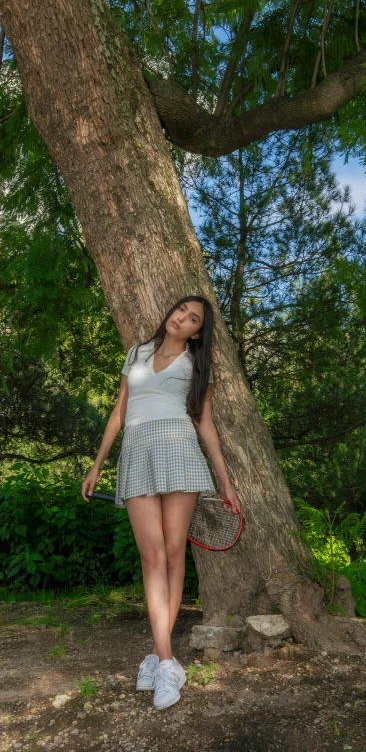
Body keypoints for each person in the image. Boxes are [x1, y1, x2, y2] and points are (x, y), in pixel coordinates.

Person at [81, 295, 241, 711]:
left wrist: (225, 483)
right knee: (151, 557)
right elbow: (120, 409)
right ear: (169, 313)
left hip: (180, 452)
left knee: (172, 554)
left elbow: (204, 425)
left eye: (193, 320)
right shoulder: (137, 351)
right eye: (181, 311)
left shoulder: (196, 365)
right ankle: (165, 657)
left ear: (196, 332)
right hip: (136, 452)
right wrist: (97, 465)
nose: (183, 320)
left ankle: (162, 660)